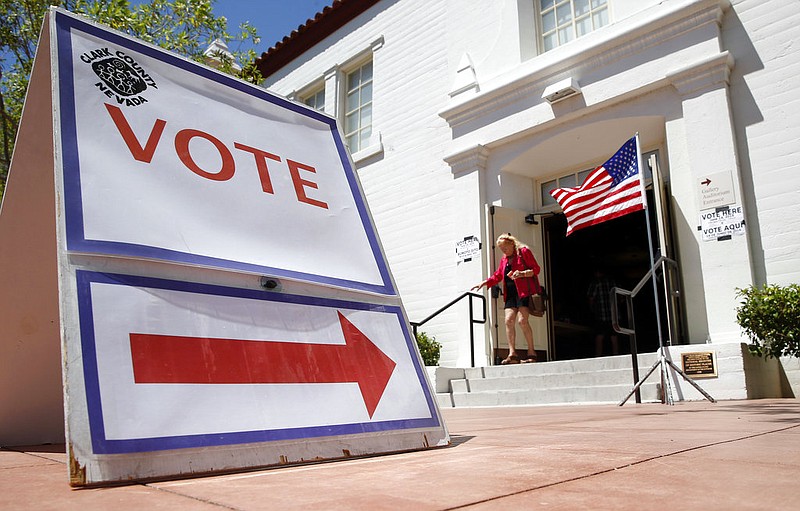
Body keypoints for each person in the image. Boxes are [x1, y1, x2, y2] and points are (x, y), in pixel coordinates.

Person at [472, 233, 541, 364]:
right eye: (501, 249)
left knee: (522, 321)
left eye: (505, 247)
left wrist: (522, 274)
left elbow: (536, 269)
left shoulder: (523, 252)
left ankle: (532, 353)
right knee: (508, 320)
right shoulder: (504, 259)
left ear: (511, 243)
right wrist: (485, 282)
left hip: (523, 292)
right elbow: (498, 275)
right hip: (510, 294)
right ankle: (512, 354)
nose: (503, 251)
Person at [587, 266, 619, 356]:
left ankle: (598, 356)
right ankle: (616, 354)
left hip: (601, 313)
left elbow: (591, 298)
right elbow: (619, 296)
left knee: (600, 335)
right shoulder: (612, 282)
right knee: (614, 335)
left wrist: (592, 309)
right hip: (613, 313)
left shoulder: (595, 283)